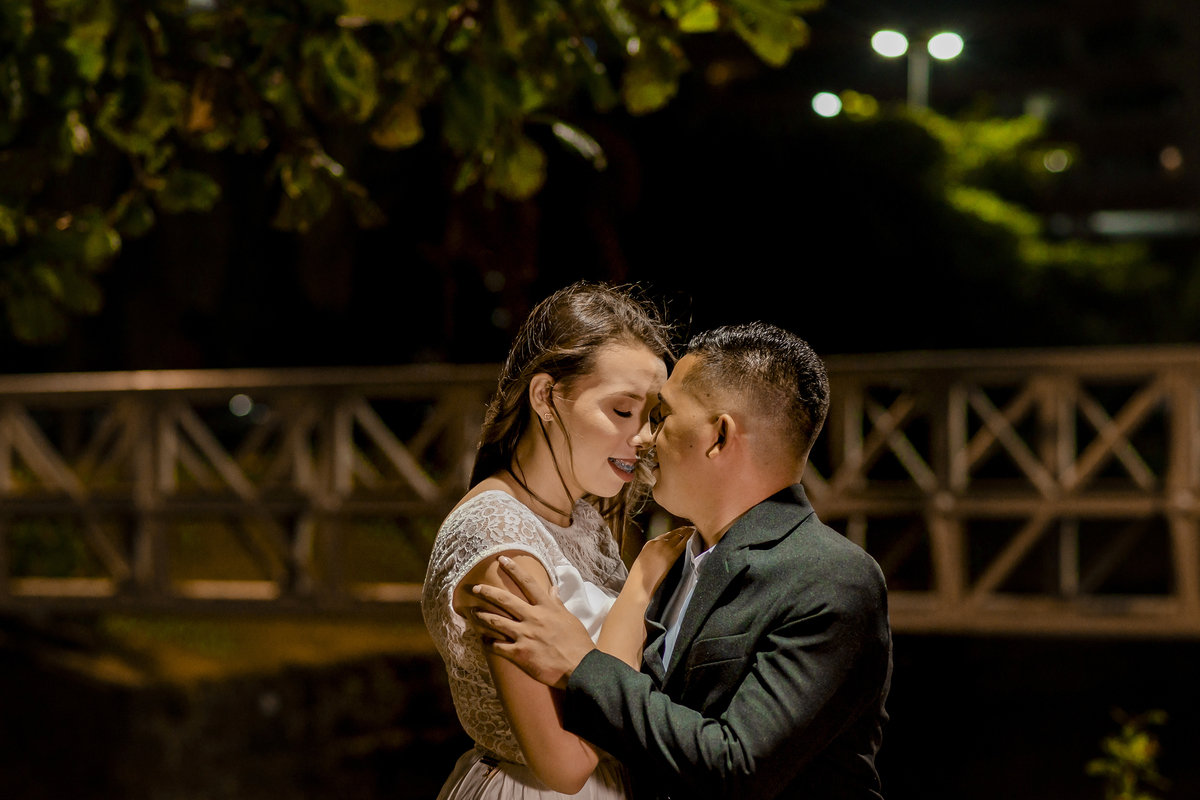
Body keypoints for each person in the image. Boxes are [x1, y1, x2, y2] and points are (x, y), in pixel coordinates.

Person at [470, 322, 893, 800]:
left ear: (718, 436)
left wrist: (582, 666)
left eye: (663, 415)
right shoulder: (669, 562)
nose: (645, 438)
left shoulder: (831, 578)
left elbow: (737, 768)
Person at [421, 282, 691, 800]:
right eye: (621, 410)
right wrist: (642, 584)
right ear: (546, 396)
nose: (641, 438)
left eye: (651, 416)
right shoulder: (501, 547)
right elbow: (563, 766)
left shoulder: (580, 518)